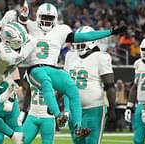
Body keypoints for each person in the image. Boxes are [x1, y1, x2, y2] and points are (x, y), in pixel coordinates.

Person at [17, 2, 125, 137]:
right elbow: (18, 27)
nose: (46, 20)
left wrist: (110, 32)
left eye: (50, 18)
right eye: (44, 17)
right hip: (34, 68)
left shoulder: (61, 30)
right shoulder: (31, 26)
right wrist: (23, 16)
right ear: (38, 16)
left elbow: (85, 37)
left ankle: (78, 126)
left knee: (72, 89)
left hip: (52, 68)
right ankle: (58, 115)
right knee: (46, 82)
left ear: (55, 19)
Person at [64, 26, 116, 144]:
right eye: (78, 40)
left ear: (92, 41)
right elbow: (64, 84)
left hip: (94, 108)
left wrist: (113, 108)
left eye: (82, 40)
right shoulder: (70, 56)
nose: (78, 43)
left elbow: (110, 86)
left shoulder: (101, 57)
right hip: (74, 110)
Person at [124, 36, 145, 144]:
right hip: (140, 104)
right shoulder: (138, 63)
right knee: (138, 138)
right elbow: (135, 86)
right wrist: (129, 106)